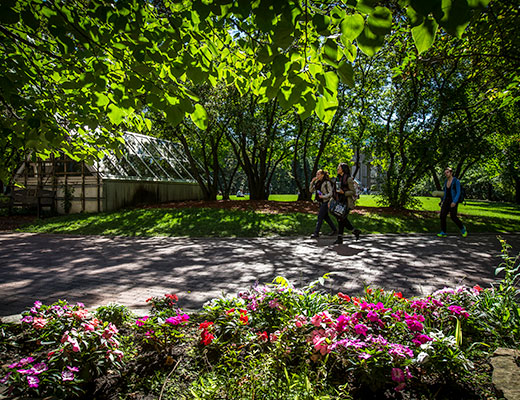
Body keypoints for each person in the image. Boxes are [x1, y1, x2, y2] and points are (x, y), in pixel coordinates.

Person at [333, 163, 361, 244]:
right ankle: (354, 231)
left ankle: (340, 238)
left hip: (346, 202)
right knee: (341, 219)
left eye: (339, 168)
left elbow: (353, 192)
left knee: (341, 219)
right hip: (339, 200)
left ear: (343, 169)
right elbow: (334, 190)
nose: (337, 169)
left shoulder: (348, 179)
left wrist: (343, 192)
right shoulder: (338, 178)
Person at [437, 167, 467, 238]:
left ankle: (463, 229)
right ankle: (443, 232)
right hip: (446, 201)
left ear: (451, 173)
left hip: (453, 200)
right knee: (442, 215)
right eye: (445, 173)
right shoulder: (446, 182)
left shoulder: (456, 181)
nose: (446, 174)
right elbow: (445, 192)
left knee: (453, 217)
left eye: (447, 172)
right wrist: (442, 201)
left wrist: (454, 202)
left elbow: (458, 192)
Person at [309, 169, 337, 239]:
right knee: (326, 217)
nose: (317, 176)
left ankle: (316, 232)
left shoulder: (327, 182)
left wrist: (323, 196)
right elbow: (311, 190)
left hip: (326, 201)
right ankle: (335, 230)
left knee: (320, 217)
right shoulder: (317, 182)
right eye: (316, 174)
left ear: (322, 175)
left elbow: (331, 193)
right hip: (320, 202)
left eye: (318, 174)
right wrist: (312, 182)